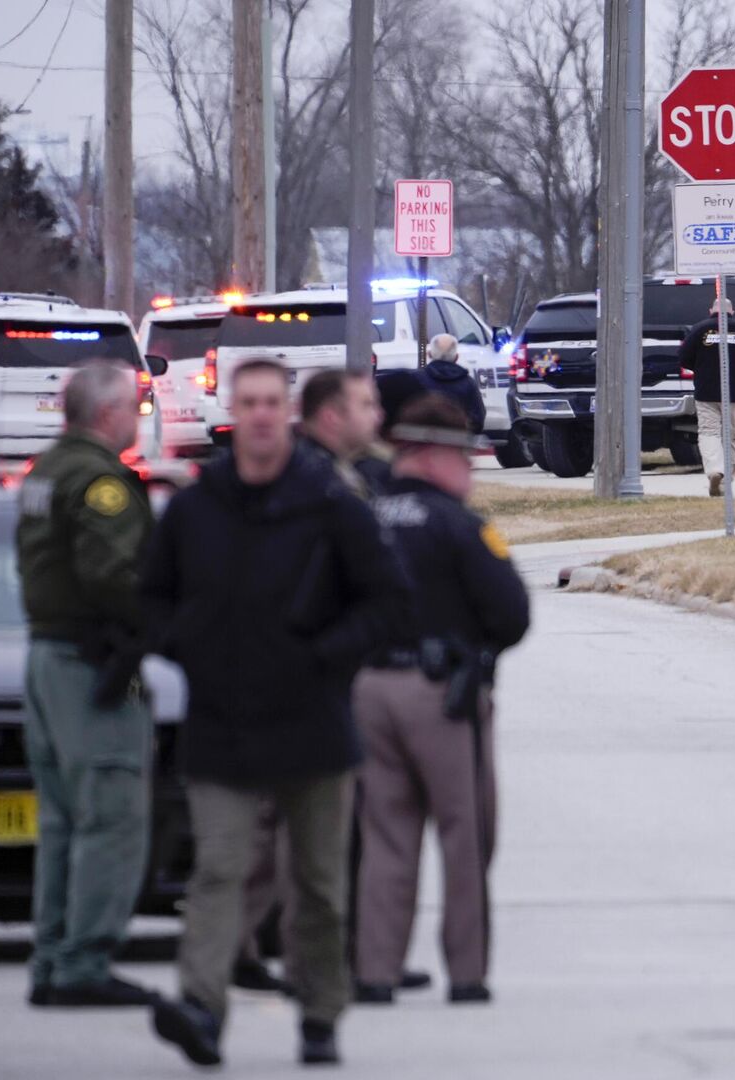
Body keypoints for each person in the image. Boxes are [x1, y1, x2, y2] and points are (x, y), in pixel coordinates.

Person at [144, 359, 408, 1068]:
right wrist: (188, 647)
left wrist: (327, 655)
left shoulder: (329, 502)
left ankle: (320, 1014)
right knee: (218, 871)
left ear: (287, 412)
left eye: (272, 402)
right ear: (233, 408)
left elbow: (386, 599)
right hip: (222, 721)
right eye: (249, 401)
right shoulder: (200, 505)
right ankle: (201, 1007)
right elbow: (152, 596)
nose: (260, 414)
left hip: (313, 720)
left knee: (319, 884)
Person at [353, 395, 530, 1005]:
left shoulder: (365, 516)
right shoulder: (459, 525)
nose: (471, 470)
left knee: (385, 837)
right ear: (431, 456)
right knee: (466, 834)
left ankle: (374, 970)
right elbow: (511, 612)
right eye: (464, 458)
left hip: (368, 691)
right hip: (442, 697)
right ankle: (467, 972)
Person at [14, 360, 158, 1009]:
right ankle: (84, 960)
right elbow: (113, 574)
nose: (138, 415)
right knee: (110, 814)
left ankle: (51, 956)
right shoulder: (100, 482)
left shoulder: (46, 472)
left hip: (47, 657)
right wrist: (158, 621)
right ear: (107, 415)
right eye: (132, 405)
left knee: (63, 820)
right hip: (89, 664)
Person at [678, 298, 735, 496]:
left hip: (706, 391)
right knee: (732, 433)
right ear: (732, 311)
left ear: (711, 311)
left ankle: (715, 470)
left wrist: (701, 366)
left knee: (709, 432)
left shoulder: (699, 330)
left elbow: (683, 357)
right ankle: (727, 476)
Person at [299, 368, 391, 498]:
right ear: (332, 417)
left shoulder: (342, 467)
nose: (379, 415)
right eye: (367, 405)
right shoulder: (312, 481)